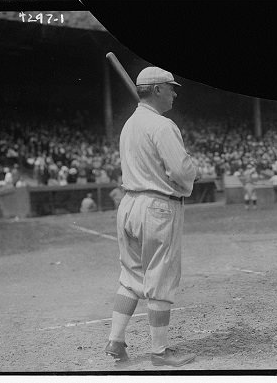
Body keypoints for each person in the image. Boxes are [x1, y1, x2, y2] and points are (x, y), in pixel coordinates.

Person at [104, 66, 198, 367]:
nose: (174, 93)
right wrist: (191, 169)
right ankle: (159, 353)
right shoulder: (162, 125)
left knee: (131, 277)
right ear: (156, 90)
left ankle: (115, 343)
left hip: (129, 204)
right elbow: (181, 172)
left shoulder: (130, 124)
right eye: (171, 88)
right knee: (160, 277)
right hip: (157, 207)